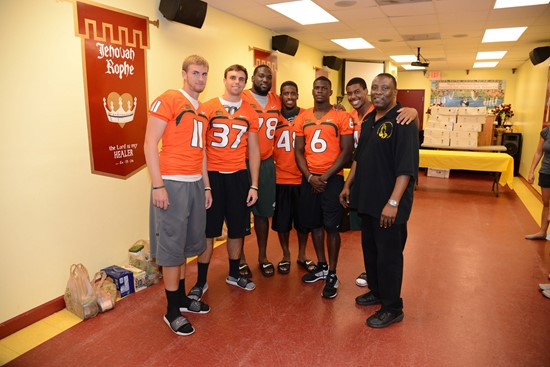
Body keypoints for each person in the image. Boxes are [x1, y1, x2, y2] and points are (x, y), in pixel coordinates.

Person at [340, 73, 419, 328]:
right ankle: (376, 291)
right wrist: (348, 184)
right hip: (368, 201)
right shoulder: (368, 122)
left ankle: (393, 306)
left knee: (389, 256)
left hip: (389, 205)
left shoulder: (403, 120)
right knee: (371, 251)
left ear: (395, 93)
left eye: (385, 87)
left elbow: (406, 168)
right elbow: (359, 158)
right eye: (375, 87)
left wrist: (393, 203)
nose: (379, 91)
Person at [144, 55, 212, 337]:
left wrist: (206, 186)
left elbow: (202, 152)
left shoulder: (203, 110)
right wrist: (158, 185)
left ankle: (182, 298)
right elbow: (149, 143)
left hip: (195, 183)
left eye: (204, 74)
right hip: (171, 183)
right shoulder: (169, 98)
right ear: (184, 74)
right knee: (172, 249)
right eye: (195, 73)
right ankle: (171, 310)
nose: (200, 78)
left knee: (186, 246)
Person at [189, 64, 260, 297]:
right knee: (209, 232)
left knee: (237, 230)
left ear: (245, 82)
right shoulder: (208, 107)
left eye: (241, 78)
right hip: (213, 175)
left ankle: (234, 273)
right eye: (232, 77)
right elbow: (201, 148)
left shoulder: (250, 111)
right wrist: (206, 184)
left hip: (238, 176)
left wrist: (254, 184)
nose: (236, 82)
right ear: (224, 80)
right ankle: (201, 281)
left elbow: (254, 151)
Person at [294, 76, 354, 299]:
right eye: (316, 88)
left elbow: (346, 150)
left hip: (332, 179)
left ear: (330, 92)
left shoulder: (341, 115)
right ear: (312, 91)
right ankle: (321, 265)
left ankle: (333, 272)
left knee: (331, 226)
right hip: (310, 180)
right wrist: (310, 177)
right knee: (314, 224)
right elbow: (298, 150)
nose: (319, 91)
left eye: (324, 88)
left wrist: (325, 177)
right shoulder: (303, 117)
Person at [239, 65, 280, 277]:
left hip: (265, 162)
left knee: (263, 213)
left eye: (268, 76)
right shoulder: (242, 96)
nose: (264, 79)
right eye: (261, 75)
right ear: (253, 77)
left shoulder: (277, 99)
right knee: (240, 213)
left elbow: (294, 111)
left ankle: (262, 256)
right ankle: (240, 259)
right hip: (240, 161)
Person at [272, 81, 315, 274]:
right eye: (286, 93)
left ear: (297, 95)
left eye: (293, 93)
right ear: (281, 95)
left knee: (303, 221)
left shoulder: (307, 115)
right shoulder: (274, 117)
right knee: (282, 222)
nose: (289, 97)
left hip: (302, 178)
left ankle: (302, 254)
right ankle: (286, 255)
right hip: (281, 177)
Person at [525, 126, 550, 240]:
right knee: (546, 203)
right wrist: (531, 172)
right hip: (546, 171)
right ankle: (542, 232)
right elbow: (538, 153)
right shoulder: (546, 132)